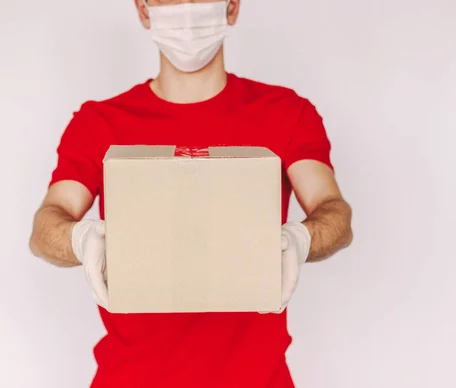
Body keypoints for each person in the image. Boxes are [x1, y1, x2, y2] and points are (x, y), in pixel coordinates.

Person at [29, 0, 353, 386]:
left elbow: (332, 210)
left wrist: (301, 238)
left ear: (231, 7)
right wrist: (79, 239)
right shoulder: (99, 123)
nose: (185, 8)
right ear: (144, 10)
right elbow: (48, 224)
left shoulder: (285, 113)